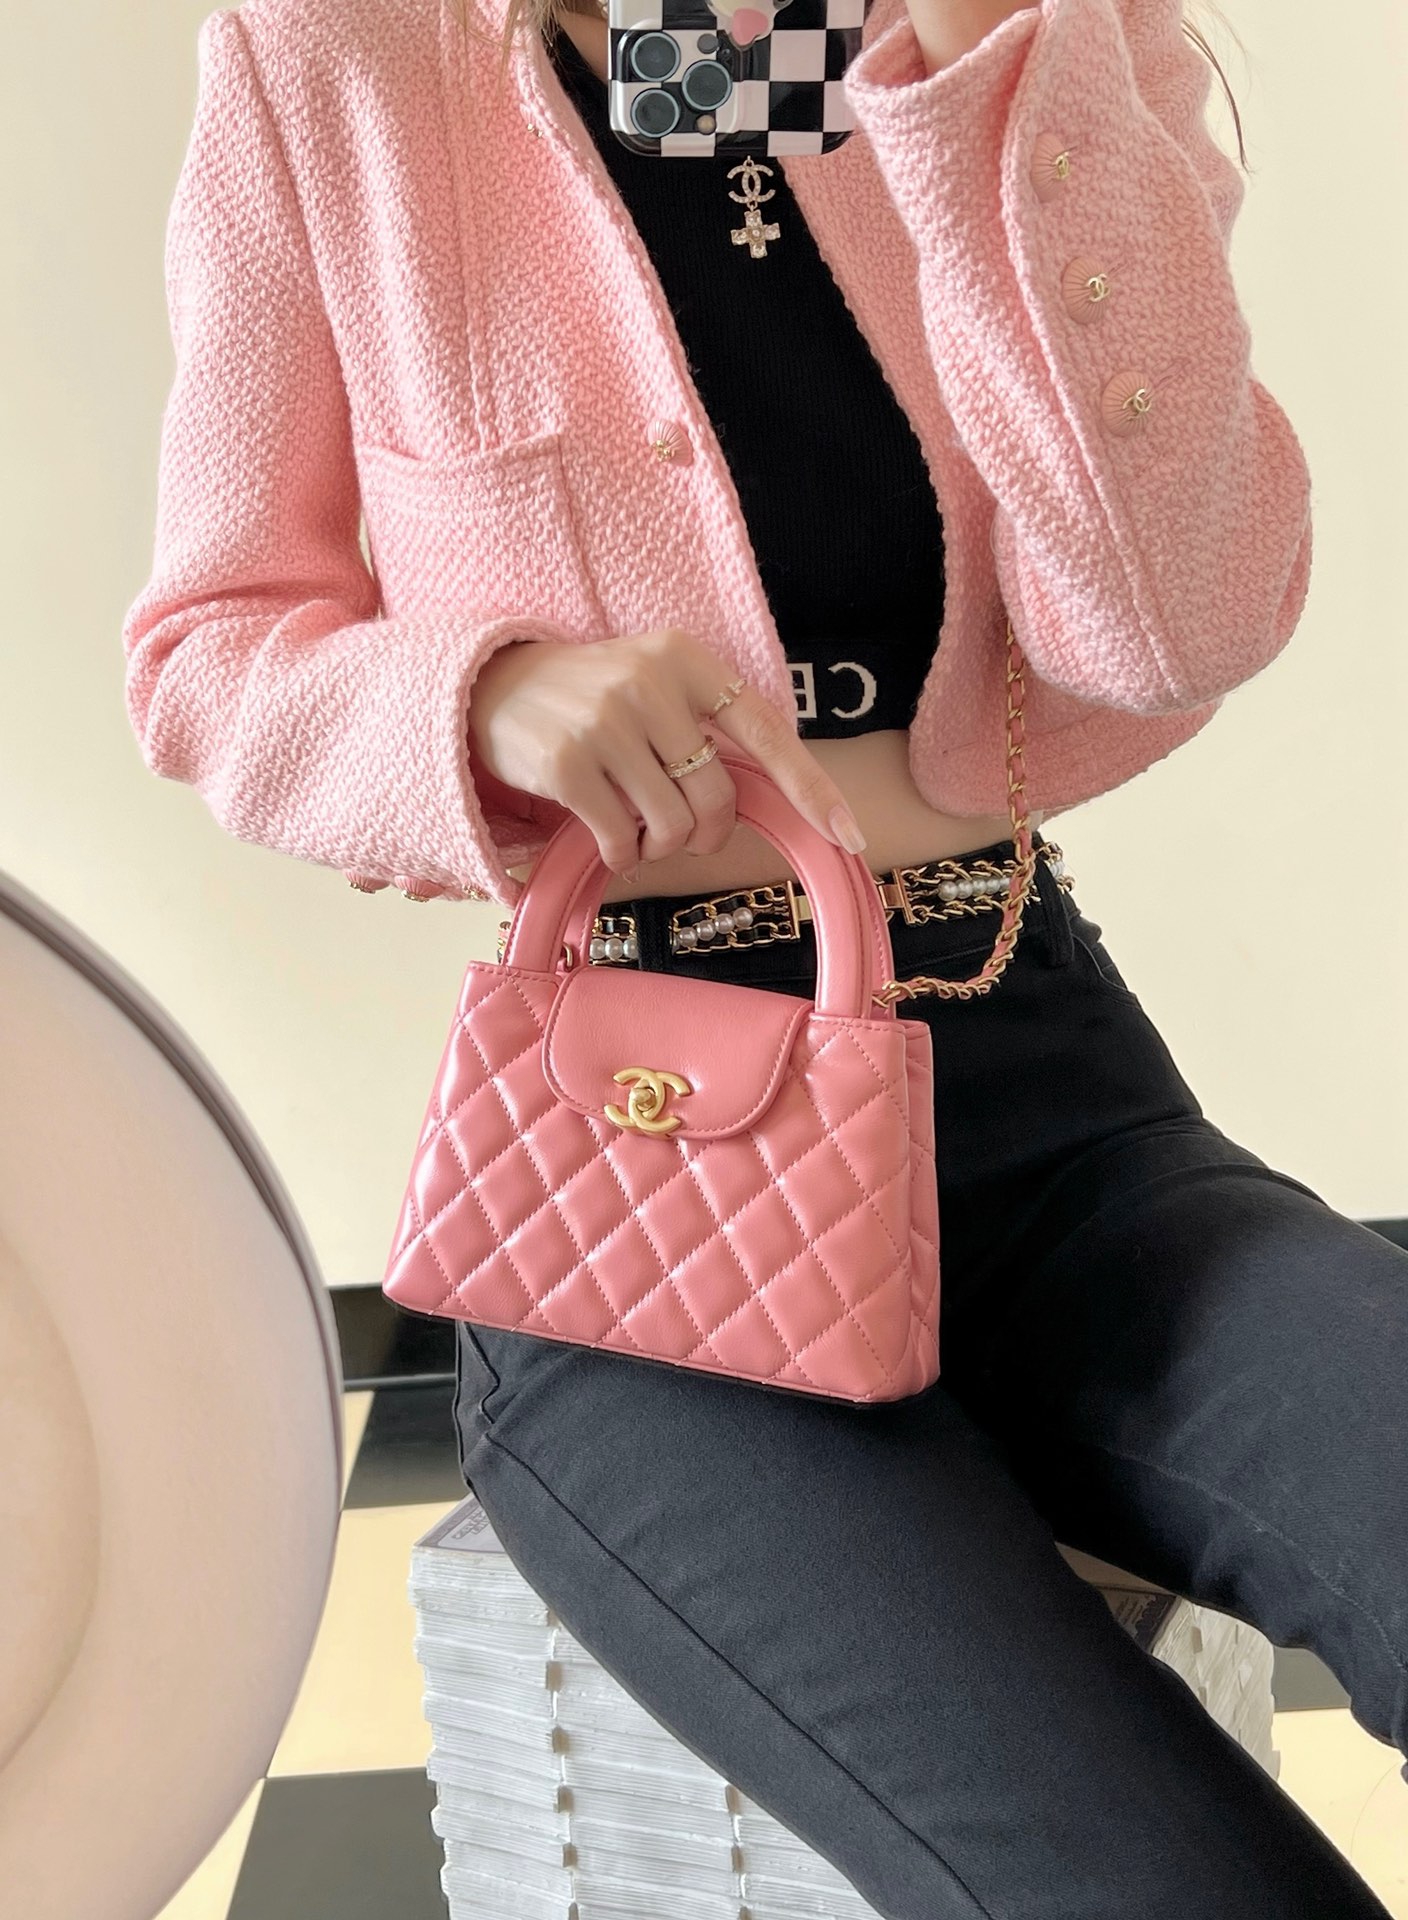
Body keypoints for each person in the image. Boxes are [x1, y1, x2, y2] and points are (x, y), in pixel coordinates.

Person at [122, 0, 1407, 1910]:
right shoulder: (343, 61)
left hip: (1048, 1096)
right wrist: (482, 698)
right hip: (643, 1195)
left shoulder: (1014, 46)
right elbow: (211, 649)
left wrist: (986, 72)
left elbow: (1170, 625)